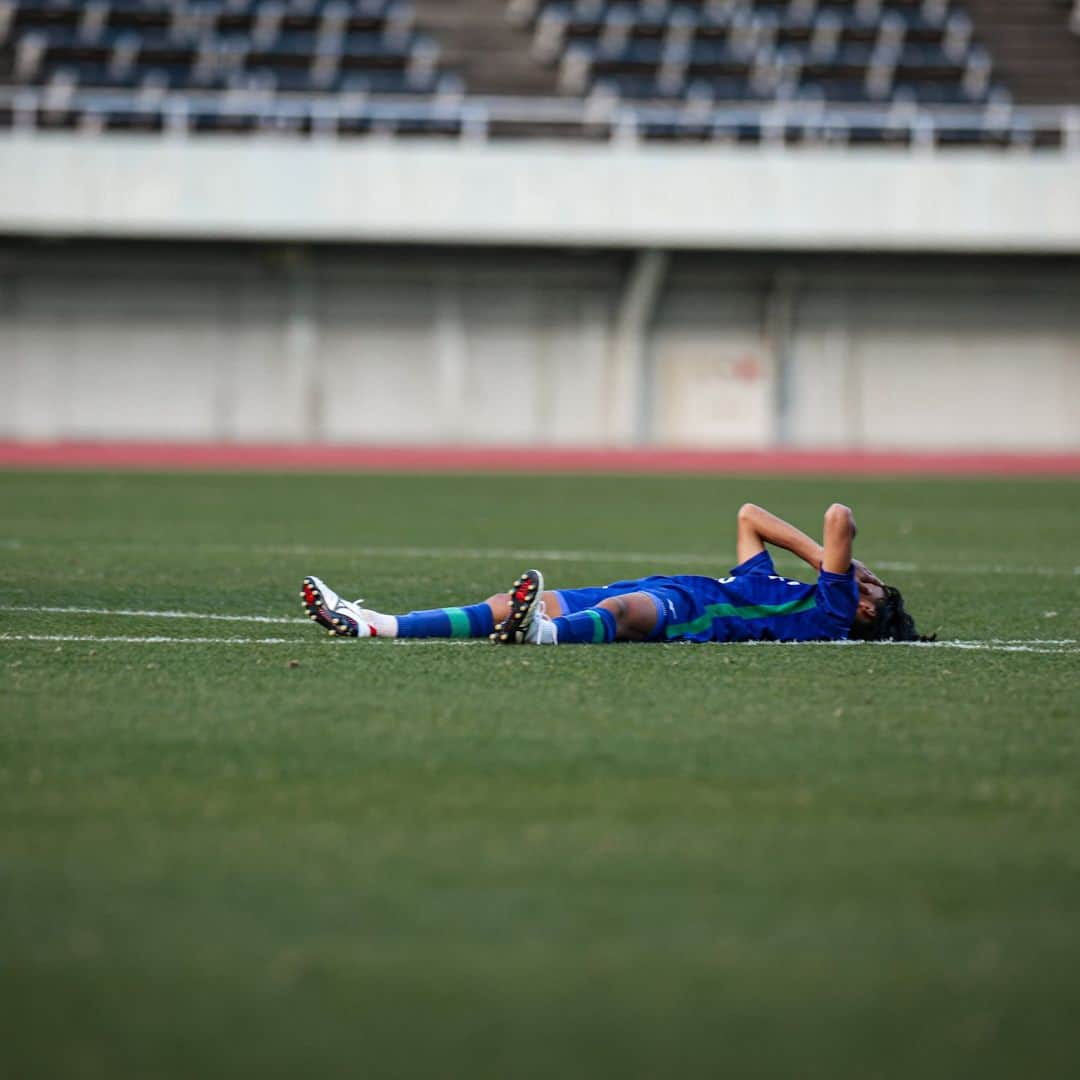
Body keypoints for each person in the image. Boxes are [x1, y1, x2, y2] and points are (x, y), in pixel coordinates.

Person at [299, 502, 931, 646]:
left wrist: (835, 568)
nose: (859, 575)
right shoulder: (794, 594)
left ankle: (540, 637)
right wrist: (819, 565)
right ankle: (376, 624)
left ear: (867, 607)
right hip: (677, 587)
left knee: (625, 614)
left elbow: (838, 516)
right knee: (505, 600)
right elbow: (748, 517)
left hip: (693, 615)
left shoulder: (828, 610)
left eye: (867, 583)